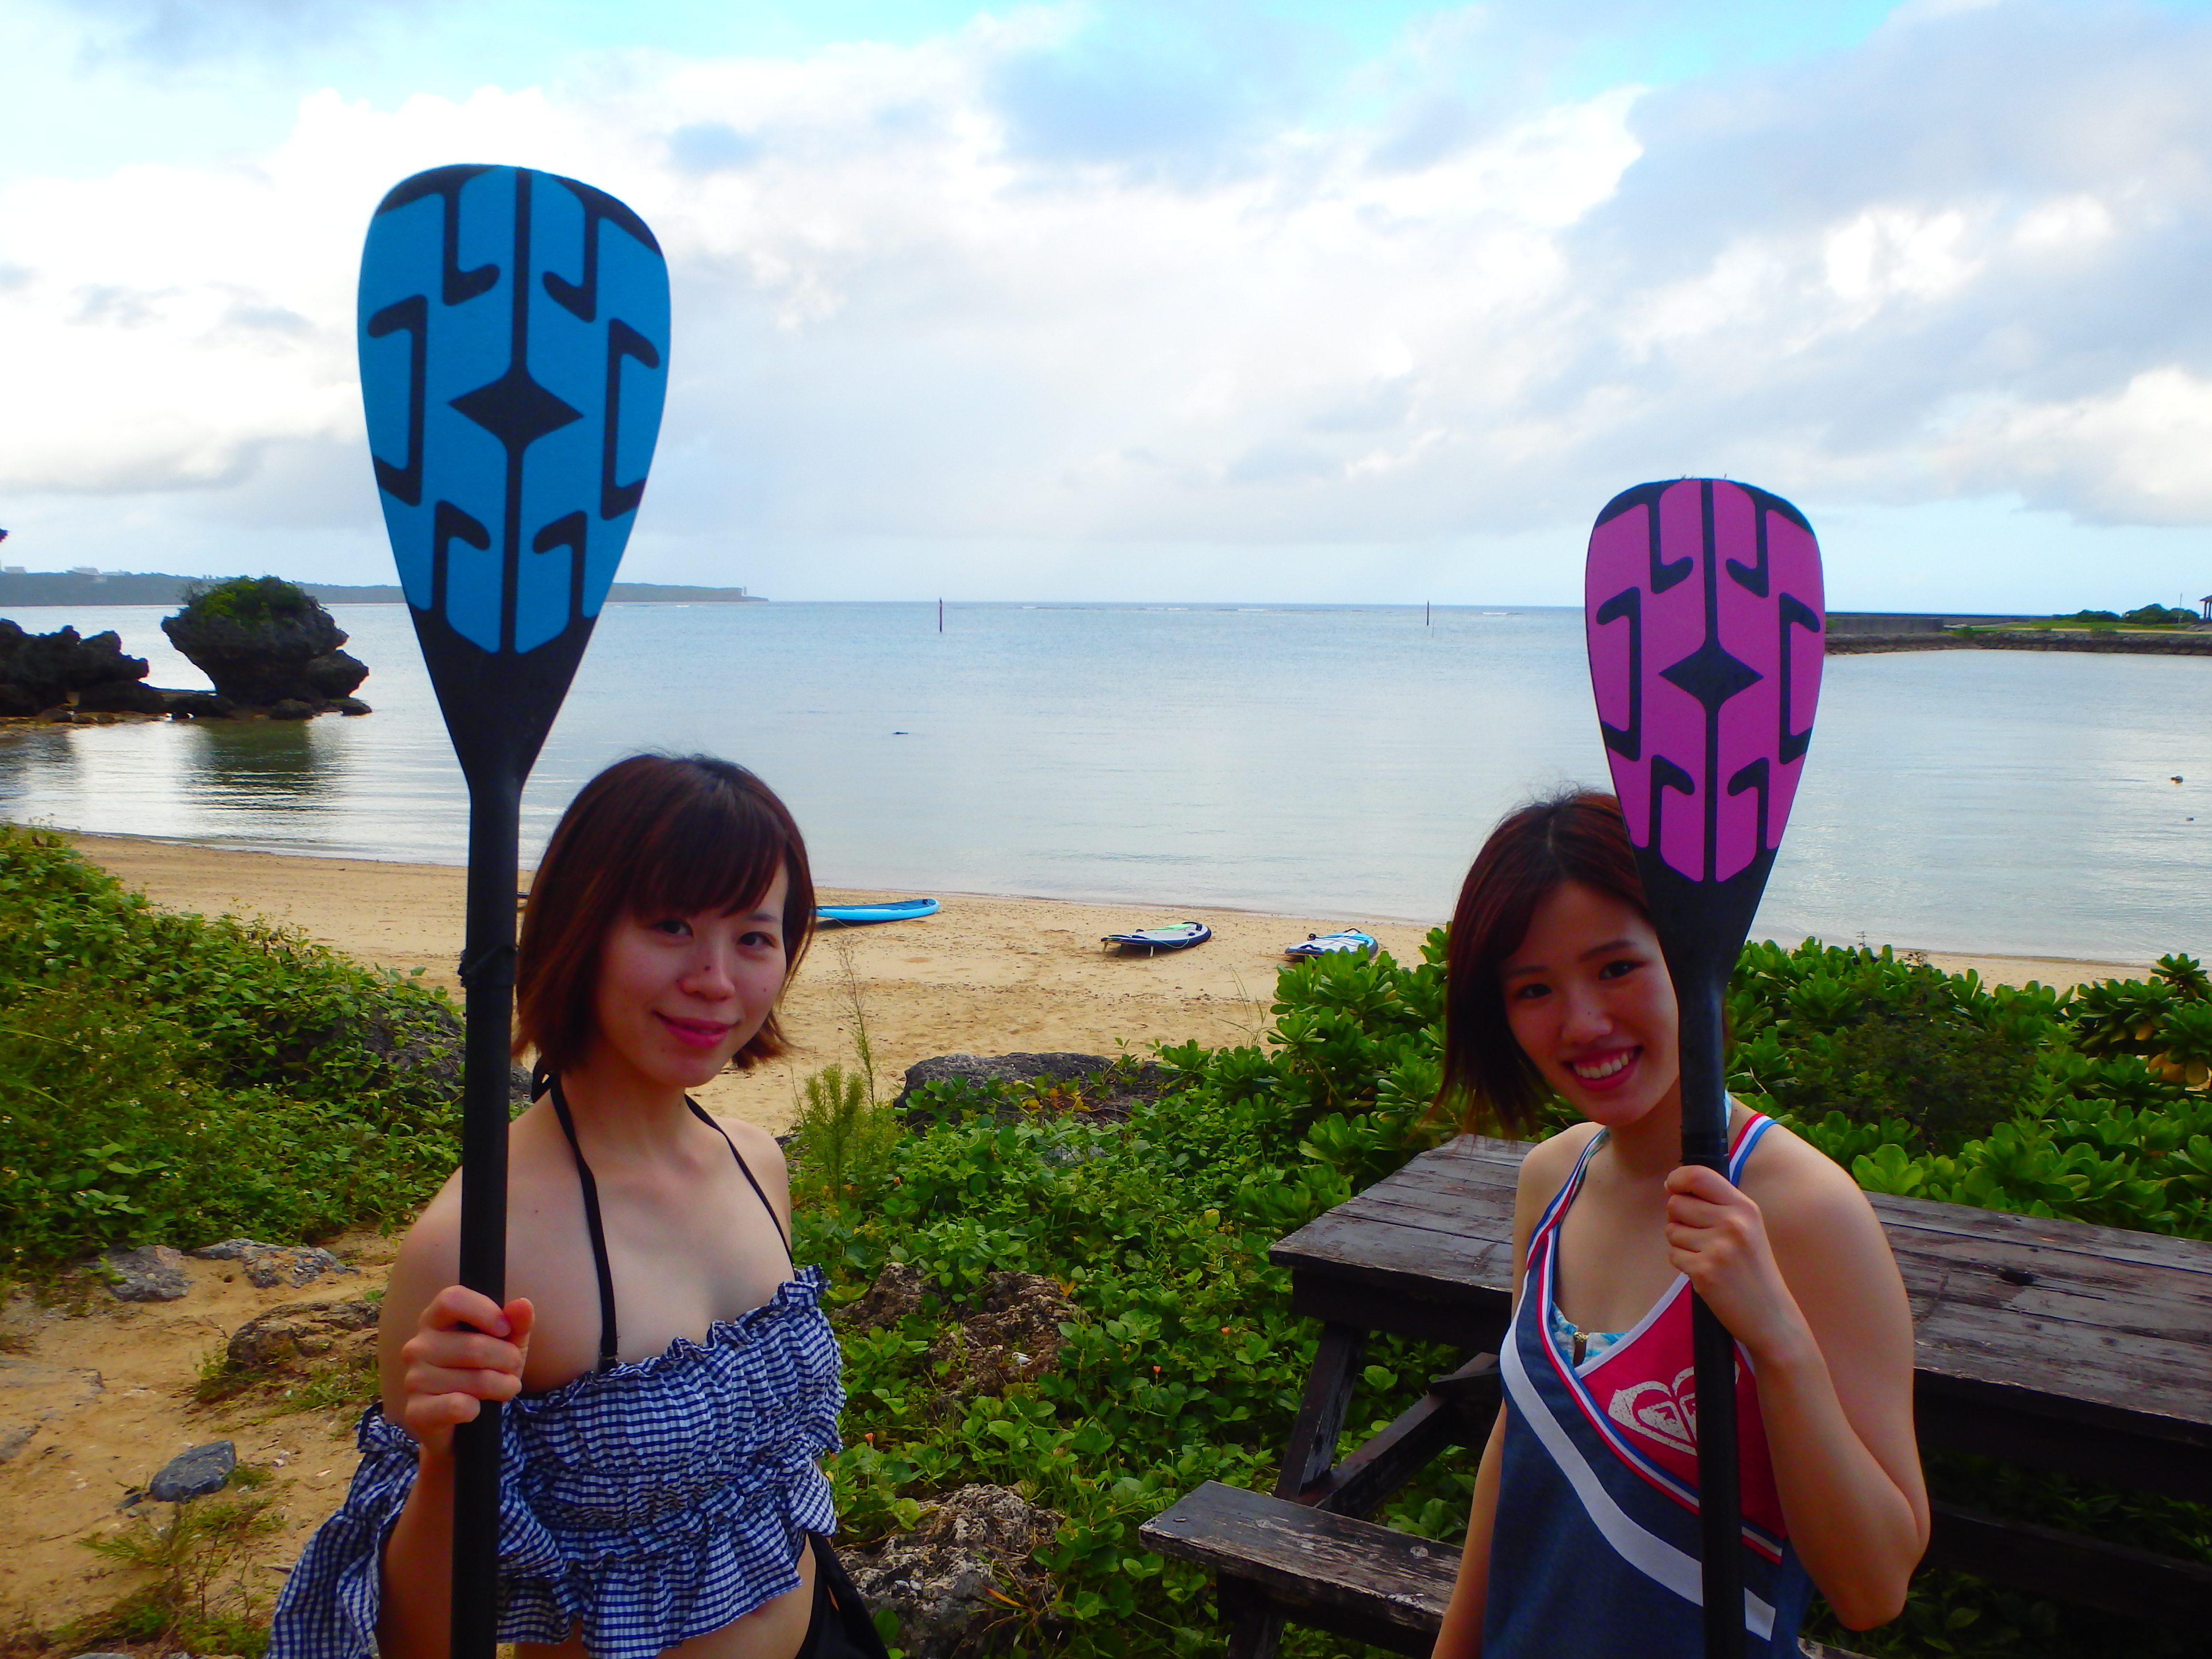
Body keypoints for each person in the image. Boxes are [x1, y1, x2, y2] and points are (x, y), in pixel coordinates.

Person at [269, 755, 885, 1659]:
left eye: (754, 938)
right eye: (671, 925)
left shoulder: (756, 1163)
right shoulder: (478, 1242)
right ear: (579, 930)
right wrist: (445, 1457)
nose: (716, 979)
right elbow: (415, 1642)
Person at [1430, 791, 1927, 1659]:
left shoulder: (1806, 1212)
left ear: (1692, 961)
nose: (1584, 1023)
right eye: (1534, 989)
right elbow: (1522, 1445)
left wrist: (1776, 1337)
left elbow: (1874, 1589)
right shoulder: (1552, 1180)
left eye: (1617, 967)